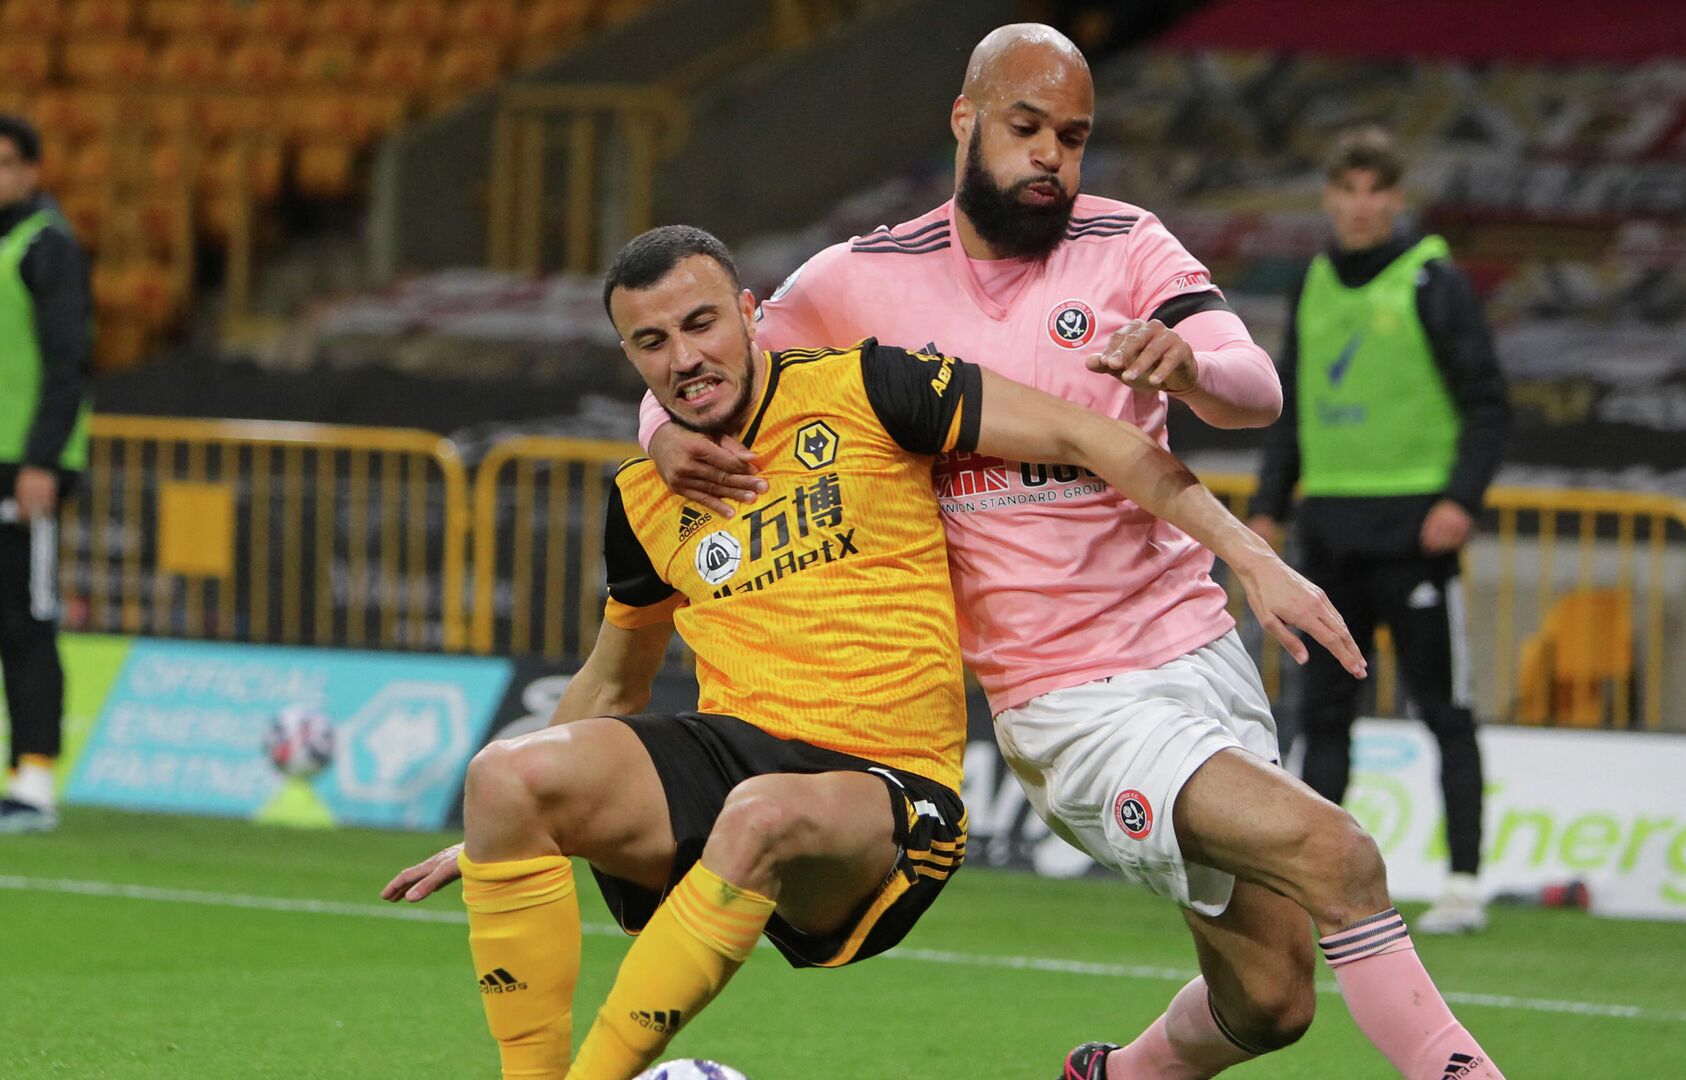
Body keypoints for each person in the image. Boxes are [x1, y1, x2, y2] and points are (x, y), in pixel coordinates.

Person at [631, 26, 1505, 1080]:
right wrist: (664, 433)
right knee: (1340, 853)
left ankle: (1115, 1075)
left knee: (1272, 1001)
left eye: (1074, 137)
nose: (1051, 155)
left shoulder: (1128, 242)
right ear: (966, 121)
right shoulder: (856, 282)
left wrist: (1187, 362)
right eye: (1026, 127)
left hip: (1197, 651)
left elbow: (1254, 384)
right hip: (1065, 699)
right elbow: (716, 355)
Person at [382, 225, 1364, 1079]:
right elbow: (612, 681)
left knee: (760, 815)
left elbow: (1083, 432)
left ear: (752, 313)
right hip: (737, 752)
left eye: (700, 324)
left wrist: (1247, 553)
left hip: (890, 791)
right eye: (650, 342)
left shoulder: (868, 387)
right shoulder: (644, 497)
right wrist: (498, 834)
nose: (683, 357)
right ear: (629, 358)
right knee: (504, 775)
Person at [1249, 126, 1512, 935]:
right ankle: (1309, 875)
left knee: (1445, 708)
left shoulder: (1432, 281)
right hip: (1329, 530)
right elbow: (1291, 402)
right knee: (1322, 716)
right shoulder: (1314, 282)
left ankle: (1463, 882)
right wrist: (1269, 505)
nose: (1361, 207)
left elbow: (1488, 400)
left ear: (1395, 199)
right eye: (1347, 190)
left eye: (1376, 191)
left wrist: (1459, 499)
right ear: (1329, 199)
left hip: (1415, 531)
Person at [0, 114, 91, 835]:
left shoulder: (46, 247)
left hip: (20, 467)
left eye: (5, 164)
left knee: (25, 622)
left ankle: (33, 779)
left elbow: (68, 362)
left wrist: (43, 460)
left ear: (32, 170)